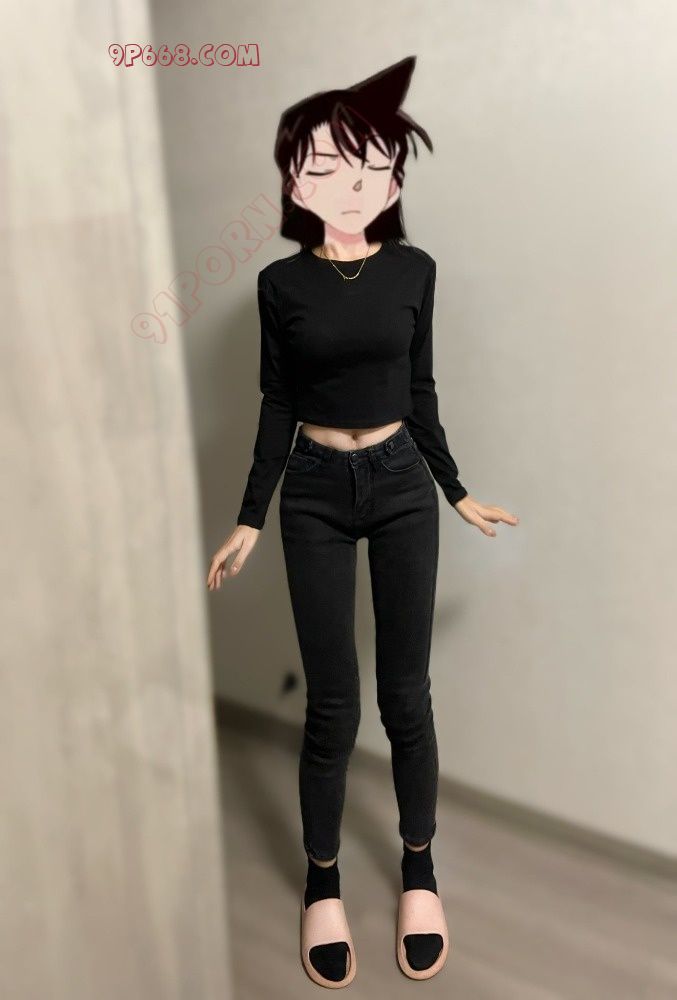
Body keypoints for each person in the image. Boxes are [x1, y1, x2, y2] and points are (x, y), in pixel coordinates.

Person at [207, 55, 518, 987]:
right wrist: (250, 516)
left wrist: (452, 489)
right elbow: (274, 400)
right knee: (332, 704)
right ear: (296, 181)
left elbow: (420, 390)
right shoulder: (279, 285)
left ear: (391, 180)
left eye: (373, 167)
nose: (353, 184)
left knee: (405, 697)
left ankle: (419, 869)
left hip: (399, 486)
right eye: (328, 167)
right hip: (310, 491)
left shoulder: (415, 270)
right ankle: (322, 880)